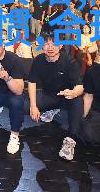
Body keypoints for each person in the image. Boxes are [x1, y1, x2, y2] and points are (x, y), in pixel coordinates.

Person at [27, 32, 84, 161]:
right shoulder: (38, 60)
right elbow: (32, 82)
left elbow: (80, 87)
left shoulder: (69, 61)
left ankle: (70, 140)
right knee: (25, 105)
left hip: (67, 97)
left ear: (61, 45)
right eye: (46, 44)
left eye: (54, 44)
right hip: (49, 96)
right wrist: (33, 106)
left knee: (78, 102)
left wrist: (73, 93)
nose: (50, 47)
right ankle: (52, 109)